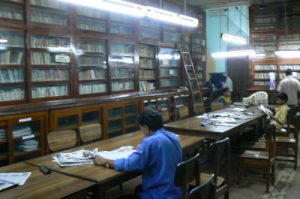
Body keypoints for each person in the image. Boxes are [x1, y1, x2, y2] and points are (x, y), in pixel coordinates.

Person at [94, 107, 182, 199]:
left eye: (141, 127)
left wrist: (105, 161)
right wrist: (144, 149)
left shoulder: (150, 142)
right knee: (138, 189)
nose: (141, 131)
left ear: (146, 127)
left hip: (159, 194)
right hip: (175, 191)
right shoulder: (173, 137)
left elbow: (129, 164)